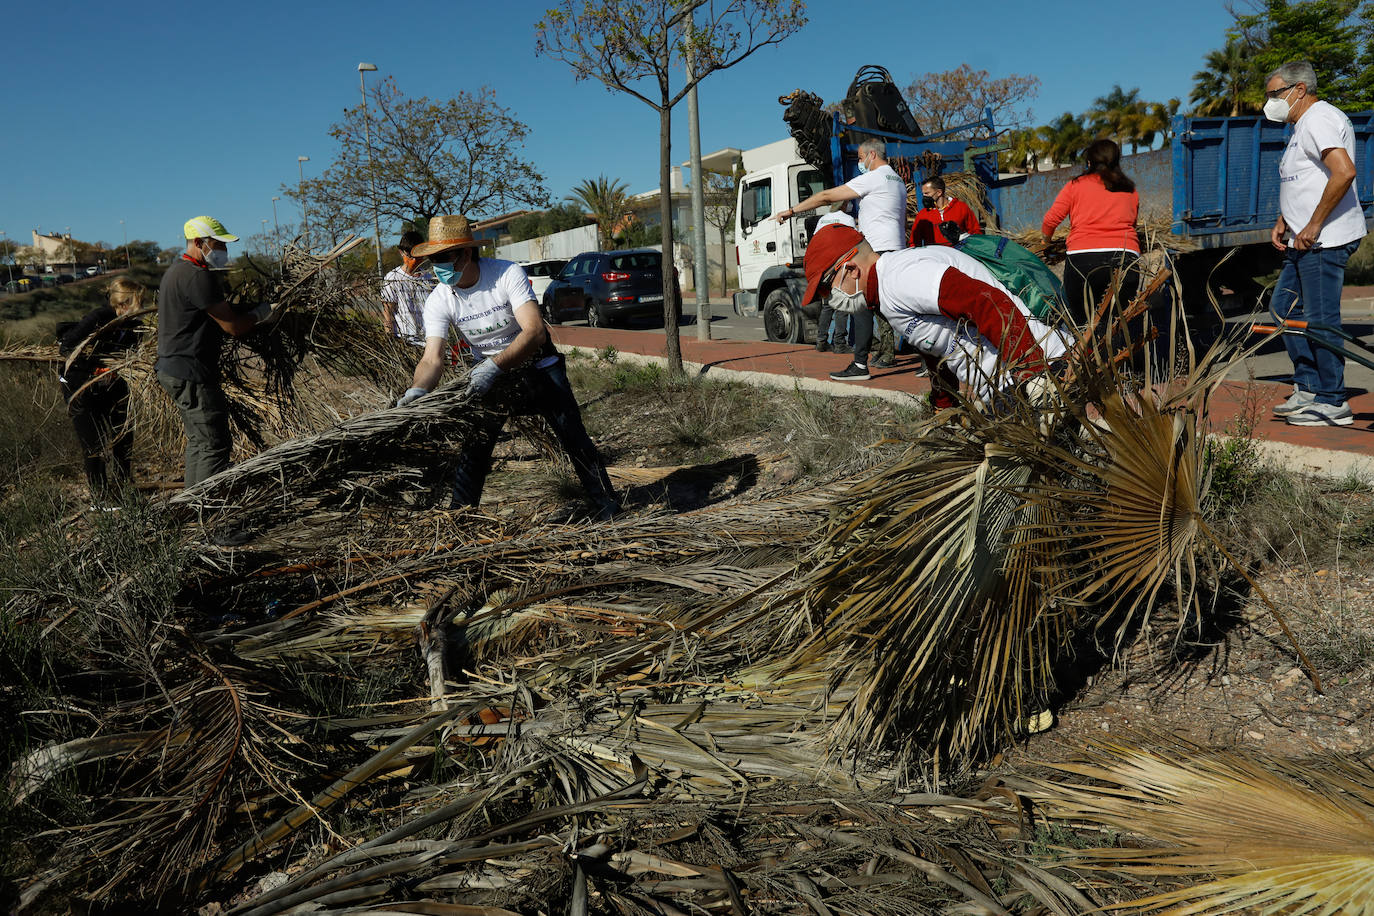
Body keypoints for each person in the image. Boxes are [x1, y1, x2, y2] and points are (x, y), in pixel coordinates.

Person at [395, 214, 619, 518]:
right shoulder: (440, 299)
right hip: (490, 378)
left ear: (465, 253)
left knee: (573, 437)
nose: (437, 266)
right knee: (474, 448)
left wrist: (494, 366)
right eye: (433, 259)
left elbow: (534, 332)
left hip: (540, 368)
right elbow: (431, 358)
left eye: (442, 257)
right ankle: (460, 518)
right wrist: (418, 389)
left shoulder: (505, 274)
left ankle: (607, 503)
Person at [802, 223, 1068, 410]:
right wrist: (944, 402)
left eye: (826, 287)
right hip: (1014, 385)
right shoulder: (886, 291)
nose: (828, 298)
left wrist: (1033, 374)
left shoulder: (900, 279)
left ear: (850, 268)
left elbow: (987, 303)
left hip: (1040, 375)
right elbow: (932, 343)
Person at [1264, 61, 1368, 427]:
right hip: (1302, 240)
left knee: (1321, 320)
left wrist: (1314, 223)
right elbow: (1304, 179)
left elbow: (1344, 172)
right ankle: (1309, 387)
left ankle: (1332, 401)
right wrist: (1284, 220)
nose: (1270, 102)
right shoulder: (1301, 126)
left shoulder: (1319, 119)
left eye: (1274, 94)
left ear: (1299, 90)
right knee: (1284, 311)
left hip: (1324, 240)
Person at [156, 215, 279, 487]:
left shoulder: (175, 272)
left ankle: (191, 511)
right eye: (218, 244)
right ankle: (212, 522)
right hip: (191, 371)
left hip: (174, 368)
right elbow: (233, 327)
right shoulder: (197, 277)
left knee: (200, 442)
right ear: (199, 243)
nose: (223, 251)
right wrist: (261, 314)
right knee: (215, 445)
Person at [774, 137, 907, 380]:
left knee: (860, 305)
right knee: (896, 305)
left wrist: (791, 211)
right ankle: (928, 361)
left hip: (874, 252)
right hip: (896, 248)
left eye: (860, 157)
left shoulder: (874, 177)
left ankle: (859, 365)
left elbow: (826, 197)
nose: (859, 162)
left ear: (871, 156)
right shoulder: (896, 180)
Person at [57, 277, 144, 506]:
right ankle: (100, 498)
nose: (142, 307)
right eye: (138, 301)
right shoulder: (99, 318)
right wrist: (100, 365)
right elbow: (67, 345)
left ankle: (125, 489)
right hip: (81, 387)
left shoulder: (134, 324)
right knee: (93, 444)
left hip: (114, 385)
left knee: (123, 436)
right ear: (123, 303)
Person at [1041, 139, 1141, 328]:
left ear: (1089, 162)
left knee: (1082, 325)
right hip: (1125, 259)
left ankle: (1087, 354)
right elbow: (1133, 223)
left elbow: (1050, 220)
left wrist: (1046, 242)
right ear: (1116, 162)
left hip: (1083, 262)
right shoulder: (1130, 189)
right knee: (1121, 325)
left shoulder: (1076, 185)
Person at [380, 229, 436, 345]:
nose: (415, 261)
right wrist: (391, 341)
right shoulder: (393, 278)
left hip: (429, 340)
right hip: (405, 341)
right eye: (410, 257)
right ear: (401, 252)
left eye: (419, 256)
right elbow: (388, 313)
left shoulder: (428, 277)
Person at [909, 175, 982, 248]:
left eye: (927, 193)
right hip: (934, 256)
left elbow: (975, 232)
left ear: (939, 192)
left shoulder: (961, 207)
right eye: (923, 194)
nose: (924, 197)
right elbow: (914, 242)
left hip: (958, 254)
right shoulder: (923, 215)